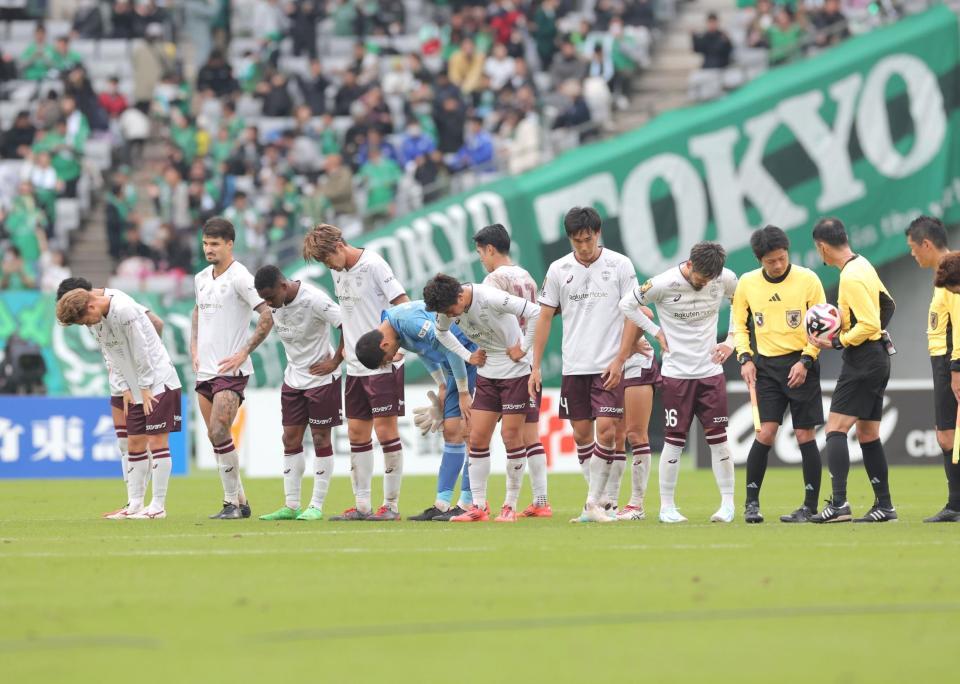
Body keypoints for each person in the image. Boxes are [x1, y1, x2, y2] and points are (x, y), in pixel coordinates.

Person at [529, 207, 641, 524]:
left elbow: (634, 312)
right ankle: (602, 502)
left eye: (588, 239)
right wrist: (535, 365)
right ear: (570, 239)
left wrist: (621, 358)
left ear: (598, 232)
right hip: (574, 366)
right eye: (577, 241)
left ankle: (594, 502)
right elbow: (545, 318)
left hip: (608, 365)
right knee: (582, 436)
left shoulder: (620, 265)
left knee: (607, 431)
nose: (583, 246)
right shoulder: (557, 269)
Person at [619, 241, 738, 523]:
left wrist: (731, 340)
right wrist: (655, 331)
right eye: (701, 277)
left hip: (711, 371)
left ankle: (728, 505)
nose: (705, 282)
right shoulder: (663, 283)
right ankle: (667, 507)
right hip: (677, 374)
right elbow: (627, 304)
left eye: (710, 279)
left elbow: (741, 302)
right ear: (690, 264)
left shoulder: (726, 277)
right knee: (673, 441)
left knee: (719, 440)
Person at [301, 224, 410, 521]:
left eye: (326, 259)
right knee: (356, 434)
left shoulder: (374, 264)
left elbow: (403, 304)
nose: (327, 266)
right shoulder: (338, 272)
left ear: (338, 247)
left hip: (382, 364)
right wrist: (339, 357)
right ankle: (362, 506)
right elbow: (347, 319)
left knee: (385, 431)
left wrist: (399, 345)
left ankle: (390, 505)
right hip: (355, 368)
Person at [55, 286, 180, 520]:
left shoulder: (123, 309)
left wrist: (143, 387)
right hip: (134, 387)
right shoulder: (96, 322)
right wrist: (125, 387)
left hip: (158, 381)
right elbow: (110, 354)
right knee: (134, 443)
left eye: (84, 321)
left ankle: (158, 506)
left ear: (91, 306)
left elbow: (141, 350)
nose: (86, 325)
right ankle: (134, 504)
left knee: (157, 440)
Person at [423, 272, 540, 522]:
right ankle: (477, 506)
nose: (451, 316)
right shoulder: (447, 308)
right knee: (476, 438)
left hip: (515, 372)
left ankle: (509, 505)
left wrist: (524, 347)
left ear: (460, 294)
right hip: (487, 374)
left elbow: (535, 312)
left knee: (510, 436)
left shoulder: (490, 297)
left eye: (452, 309)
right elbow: (441, 333)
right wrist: (467, 356)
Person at [354, 300, 482, 521]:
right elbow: (424, 351)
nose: (391, 360)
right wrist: (441, 385)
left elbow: (450, 347)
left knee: (468, 430)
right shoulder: (393, 329)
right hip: (454, 367)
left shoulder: (409, 322)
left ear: (384, 345)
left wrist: (463, 393)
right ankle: (442, 504)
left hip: (468, 352)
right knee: (451, 430)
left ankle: (469, 502)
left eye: (387, 359)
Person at [732, 226, 827, 523]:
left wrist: (806, 361)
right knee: (765, 433)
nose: (777, 264)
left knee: (804, 434)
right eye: (771, 260)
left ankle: (810, 506)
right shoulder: (747, 283)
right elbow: (740, 326)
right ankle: (751, 504)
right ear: (760, 259)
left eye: (782, 258)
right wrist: (745, 359)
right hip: (767, 368)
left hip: (802, 365)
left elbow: (822, 326)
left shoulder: (808, 279)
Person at [807, 218, 897, 523]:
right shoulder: (864, 265)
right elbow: (889, 305)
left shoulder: (851, 277)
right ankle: (884, 505)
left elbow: (869, 324)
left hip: (863, 359)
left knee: (835, 429)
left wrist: (838, 339)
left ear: (822, 247)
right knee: (868, 433)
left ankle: (840, 504)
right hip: (878, 356)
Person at [192, 217, 274, 520]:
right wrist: (193, 348)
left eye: (215, 244)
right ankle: (241, 500)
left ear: (230, 244)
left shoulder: (241, 277)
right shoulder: (201, 277)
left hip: (231, 370)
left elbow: (267, 314)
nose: (209, 249)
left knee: (219, 430)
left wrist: (244, 351)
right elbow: (197, 312)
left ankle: (231, 504)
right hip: (205, 371)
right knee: (216, 438)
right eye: (205, 243)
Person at [472, 223, 552, 517]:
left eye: (481, 252)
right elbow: (541, 314)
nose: (481, 257)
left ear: (490, 249)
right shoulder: (526, 276)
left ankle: (509, 503)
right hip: (531, 363)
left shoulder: (493, 280)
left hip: (509, 363)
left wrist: (511, 346)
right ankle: (542, 501)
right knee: (531, 435)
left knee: (512, 437)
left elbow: (492, 321)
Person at [254, 266, 343, 521]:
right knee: (290, 439)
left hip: (321, 379)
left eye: (270, 298)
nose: (269, 304)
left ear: (283, 286)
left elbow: (344, 324)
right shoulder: (275, 303)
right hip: (293, 379)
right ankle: (291, 505)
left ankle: (315, 505)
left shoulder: (314, 299)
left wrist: (335, 361)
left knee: (320, 439)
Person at [906, 217, 960, 522]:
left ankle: (955, 504)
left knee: (947, 435)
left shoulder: (953, 275)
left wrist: (955, 370)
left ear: (926, 244)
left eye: (914, 248)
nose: (913, 255)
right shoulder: (944, 276)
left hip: (951, 363)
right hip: (943, 362)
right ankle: (955, 504)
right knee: (946, 436)